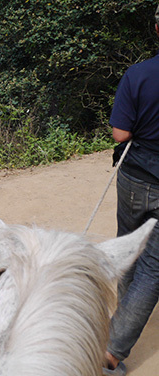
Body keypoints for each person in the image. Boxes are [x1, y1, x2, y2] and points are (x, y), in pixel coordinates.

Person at [104, 5, 159, 376]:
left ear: (157, 29)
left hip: (136, 175)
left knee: (128, 248)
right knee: (154, 268)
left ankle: (112, 341)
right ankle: (112, 348)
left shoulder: (138, 75)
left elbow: (120, 134)